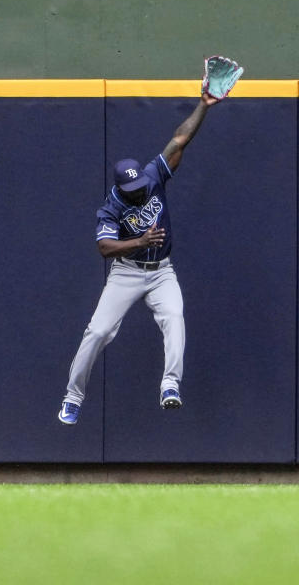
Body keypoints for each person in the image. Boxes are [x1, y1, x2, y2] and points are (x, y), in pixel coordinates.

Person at [58, 89, 221, 425]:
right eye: (130, 192)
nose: (138, 194)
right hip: (126, 272)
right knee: (98, 331)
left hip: (161, 270)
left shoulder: (152, 176)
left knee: (174, 315)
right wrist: (141, 240)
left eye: (140, 189)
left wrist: (203, 106)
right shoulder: (112, 207)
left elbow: (179, 140)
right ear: (119, 189)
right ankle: (73, 397)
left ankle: (170, 384)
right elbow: (104, 249)